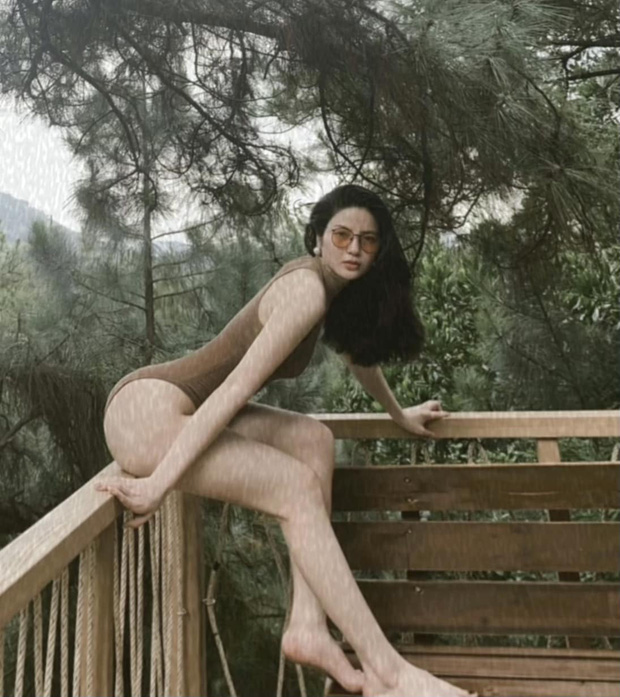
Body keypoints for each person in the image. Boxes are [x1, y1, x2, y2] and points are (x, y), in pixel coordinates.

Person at [97, 185, 476, 697]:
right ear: (317, 237)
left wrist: (397, 413)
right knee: (295, 488)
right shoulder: (306, 292)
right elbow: (233, 390)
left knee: (313, 439)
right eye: (341, 235)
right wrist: (157, 484)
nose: (354, 249)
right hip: (143, 414)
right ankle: (389, 671)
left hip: (168, 408)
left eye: (367, 240)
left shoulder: (332, 290)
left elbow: (357, 358)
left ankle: (308, 626)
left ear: (378, 249)